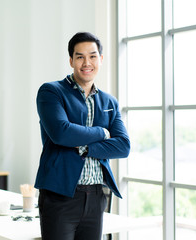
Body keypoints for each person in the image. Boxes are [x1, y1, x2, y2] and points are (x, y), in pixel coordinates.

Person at [35, 32, 130, 240]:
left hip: (96, 196)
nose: (87, 63)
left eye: (93, 56)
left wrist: (87, 148)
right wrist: (102, 133)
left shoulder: (109, 102)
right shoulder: (51, 92)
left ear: (101, 59)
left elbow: (123, 146)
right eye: (80, 57)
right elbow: (61, 133)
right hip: (60, 195)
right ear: (71, 60)